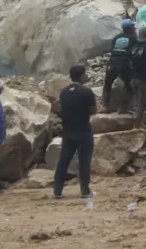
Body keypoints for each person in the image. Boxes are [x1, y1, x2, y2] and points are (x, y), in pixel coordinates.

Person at [54, 65, 98, 199]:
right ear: (81, 76)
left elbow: (61, 110)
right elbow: (93, 111)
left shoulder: (64, 92)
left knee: (63, 161)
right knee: (84, 161)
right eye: (85, 74)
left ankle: (57, 191)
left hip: (68, 131)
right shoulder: (86, 92)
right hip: (83, 130)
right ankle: (85, 191)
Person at [103, 19, 137, 113]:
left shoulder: (116, 37)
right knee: (130, 86)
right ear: (131, 29)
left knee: (107, 84)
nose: (135, 28)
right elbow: (135, 54)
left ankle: (105, 105)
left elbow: (113, 50)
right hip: (124, 65)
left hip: (112, 63)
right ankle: (124, 108)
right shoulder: (134, 38)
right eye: (133, 27)